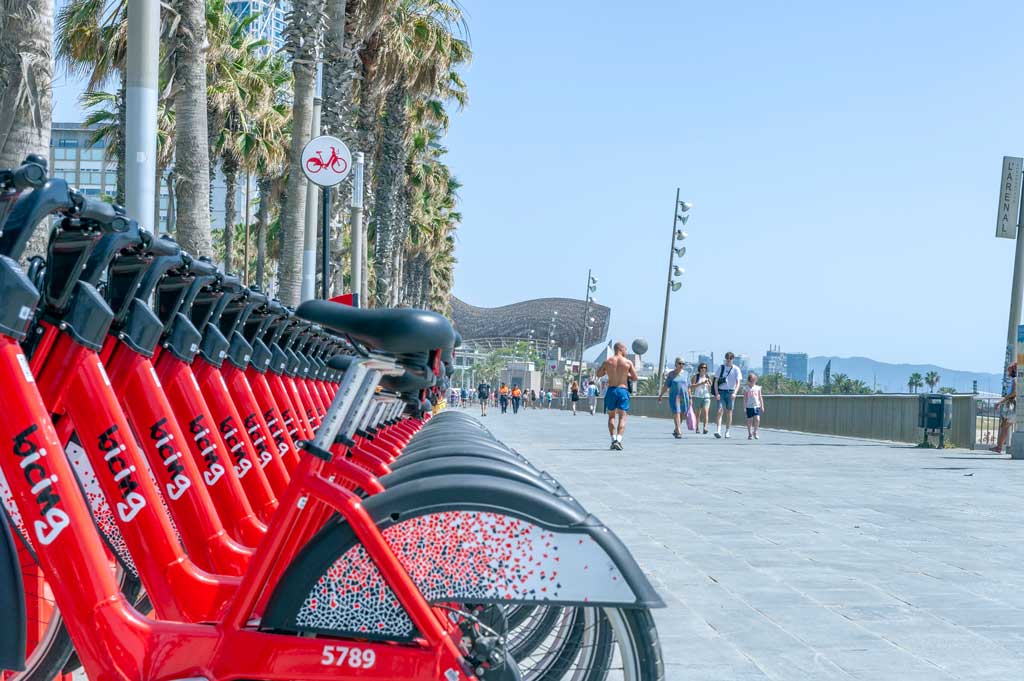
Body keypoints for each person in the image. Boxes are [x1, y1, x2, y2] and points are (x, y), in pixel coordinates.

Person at [596, 341, 638, 450]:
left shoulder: (608, 361)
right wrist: (626, 375)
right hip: (622, 390)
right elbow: (635, 378)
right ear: (620, 349)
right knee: (623, 416)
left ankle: (613, 440)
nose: (626, 351)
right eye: (625, 349)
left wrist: (608, 371)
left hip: (611, 390)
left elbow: (598, 374)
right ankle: (618, 440)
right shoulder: (627, 362)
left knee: (611, 416)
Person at [657, 357, 690, 438]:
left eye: (683, 364)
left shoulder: (686, 373)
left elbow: (688, 387)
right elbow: (666, 386)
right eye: (679, 363)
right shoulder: (671, 374)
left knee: (682, 413)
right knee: (676, 412)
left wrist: (690, 397)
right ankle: (679, 431)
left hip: (684, 396)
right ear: (676, 364)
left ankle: (676, 429)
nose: (681, 365)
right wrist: (661, 395)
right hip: (675, 396)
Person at [713, 352, 742, 439]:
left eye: (730, 358)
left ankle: (727, 431)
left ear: (733, 359)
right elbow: (715, 381)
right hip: (721, 392)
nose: (728, 360)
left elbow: (738, 383)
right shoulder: (721, 367)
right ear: (725, 359)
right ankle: (718, 430)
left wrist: (735, 393)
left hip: (731, 392)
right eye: (727, 358)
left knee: (729, 412)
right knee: (719, 410)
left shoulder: (736, 369)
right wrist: (717, 393)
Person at [992, 364, 1017, 453]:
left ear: (1013, 370)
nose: (1008, 372)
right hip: (1014, 406)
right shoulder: (1016, 380)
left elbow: (1014, 393)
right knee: (1004, 426)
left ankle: (999, 447)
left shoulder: (1015, 380)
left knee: (1005, 427)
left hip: (1013, 407)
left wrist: (1000, 402)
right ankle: (999, 447)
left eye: (1009, 370)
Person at [690, 362, 713, 434]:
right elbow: (692, 386)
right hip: (697, 397)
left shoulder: (707, 376)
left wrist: (709, 383)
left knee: (706, 413)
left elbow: (711, 385)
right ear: (699, 369)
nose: (703, 369)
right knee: (698, 414)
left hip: (706, 397)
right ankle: (697, 428)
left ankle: (705, 427)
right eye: (702, 367)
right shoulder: (696, 376)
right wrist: (702, 383)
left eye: (705, 368)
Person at [742, 372, 765, 439]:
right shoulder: (746, 388)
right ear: (748, 381)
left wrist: (762, 406)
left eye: (753, 381)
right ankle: (749, 433)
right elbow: (745, 399)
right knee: (750, 420)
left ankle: (755, 431)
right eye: (751, 381)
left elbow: (760, 397)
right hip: (749, 406)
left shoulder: (758, 388)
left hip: (756, 406)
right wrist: (744, 407)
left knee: (757, 419)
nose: (752, 383)